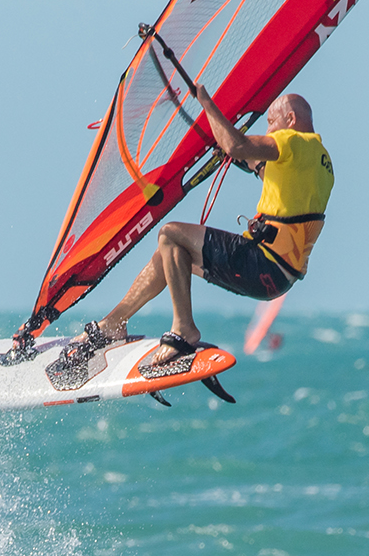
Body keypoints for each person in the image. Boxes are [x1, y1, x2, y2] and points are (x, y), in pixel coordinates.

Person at [62, 84, 334, 368]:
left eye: (271, 122)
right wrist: (214, 131)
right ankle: (113, 324)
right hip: (275, 278)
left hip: (262, 262)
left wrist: (205, 101)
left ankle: (184, 330)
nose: (268, 132)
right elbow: (249, 158)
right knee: (169, 255)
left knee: (170, 234)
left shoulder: (292, 142)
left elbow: (238, 146)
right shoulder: (319, 163)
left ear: (290, 120)